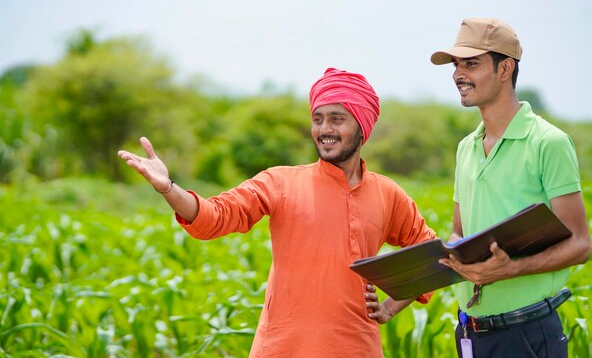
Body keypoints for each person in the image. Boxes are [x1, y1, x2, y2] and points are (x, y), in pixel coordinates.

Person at [118, 68, 437, 358]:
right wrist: (168, 188)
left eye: (337, 119)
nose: (324, 128)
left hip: (357, 347)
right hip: (281, 348)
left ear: (362, 126)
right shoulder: (280, 181)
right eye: (318, 119)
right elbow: (216, 216)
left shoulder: (387, 193)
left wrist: (391, 306)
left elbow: (432, 255)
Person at [430, 18, 591, 357]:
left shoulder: (549, 143)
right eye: (456, 64)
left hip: (527, 334)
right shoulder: (466, 148)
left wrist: (511, 269)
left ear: (505, 69)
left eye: (471, 63)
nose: (458, 73)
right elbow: (460, 231)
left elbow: (579, 245)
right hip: (471, 333)